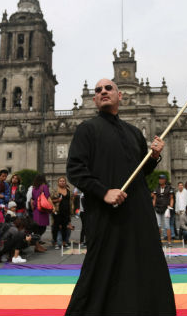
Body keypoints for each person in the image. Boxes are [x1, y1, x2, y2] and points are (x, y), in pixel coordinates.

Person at [65, 78, 175, 315]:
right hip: (106, 215)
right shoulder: (87, 129)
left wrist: (154, 156)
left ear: (120, 96)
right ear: (94, 99)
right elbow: (75, 169)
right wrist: (103, 192)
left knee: (143, 265)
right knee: (103, 269)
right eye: (98, 90)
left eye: (108, 88)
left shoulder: (134, 132)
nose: (103, 91)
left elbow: (140, 171)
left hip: (138, 213)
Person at [51, 177, 73, 249]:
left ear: (65, 182)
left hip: (66, 212)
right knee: (56, 227)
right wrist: (57, 200)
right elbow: (50, 201)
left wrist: (71, 211)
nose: (62, 182)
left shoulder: (68, 190)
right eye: (60, 181)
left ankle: (64, 242)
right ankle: (55, 243)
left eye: (63, 181)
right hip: (57, 211)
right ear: (58, 182)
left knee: (64, 227)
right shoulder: (55, 190)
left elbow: (71, 201)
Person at [152, 174, 174, 246]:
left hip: (166, 209)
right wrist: (153, 207)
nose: (160, 180)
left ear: (164, 180)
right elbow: (154, 199)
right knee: (158, 225)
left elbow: (171, 198)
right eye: (159, 179)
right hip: (157, 208)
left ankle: (169, 242)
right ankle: (159, 241)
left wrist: (170, 206)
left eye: (162, 179)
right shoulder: (156, 188)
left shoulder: (169, 188)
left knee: (167, 226)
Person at [31, 174, 51, 245]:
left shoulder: (34, 188)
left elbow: (33, 198)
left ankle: (37, 241)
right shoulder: (44, 187)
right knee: (43, 227)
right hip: (43, 209)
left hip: (36, 209)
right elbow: (47, 196)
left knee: (37, 227)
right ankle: (37, 242)